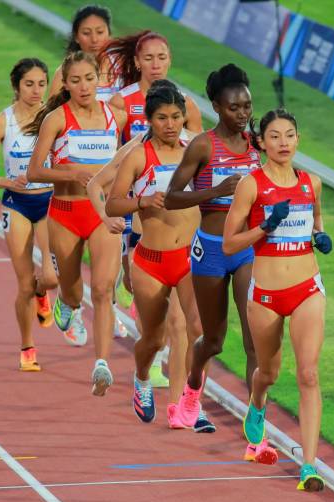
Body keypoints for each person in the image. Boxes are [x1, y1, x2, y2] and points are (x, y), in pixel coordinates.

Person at [222, 108, 333, 491]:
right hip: (267, 294)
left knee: (309, 374)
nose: (283, 143)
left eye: (289, 135)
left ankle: (309, 466)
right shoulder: (251, 185)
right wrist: (265, 227)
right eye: (274, 136)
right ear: (261, 143)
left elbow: (316, 223)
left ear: (298, 139)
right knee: (268, 371)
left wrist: (321, 237)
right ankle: (257, 401)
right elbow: (229, 242)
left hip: (307, 289)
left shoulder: (311, 183)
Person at [102, 80, 211, 430]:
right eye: (162, 117)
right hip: (151, 260)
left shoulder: (195, 151)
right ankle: (142, 378)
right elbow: (113, 202)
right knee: (153, 338)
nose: (170, 124)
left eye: (176, 116)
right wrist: (142, 201)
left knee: (192, 328)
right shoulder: (138, 156)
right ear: (149, 119)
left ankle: (186, 404)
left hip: (189, 257)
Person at [165, 64, 262, 447]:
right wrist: (217, 189)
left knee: (255, 336)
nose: (243, 114)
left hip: (247, 250)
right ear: (217, 108)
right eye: (235, 107)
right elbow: (172, 197)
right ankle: (191, 390)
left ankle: (256, 416)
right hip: (210, 250)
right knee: (214, 341)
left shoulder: (258, 144)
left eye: (247, 106)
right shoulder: (204, 145)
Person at [26, 51, 127, 396]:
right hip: (66, 213)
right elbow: (34, 171)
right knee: (73, 290)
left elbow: (125, 165)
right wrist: (73, 172)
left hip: (103, 215)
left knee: (102, 289)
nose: (84, 86)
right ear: (65, 84)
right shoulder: (56, 118)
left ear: (98, 80)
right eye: (76, 80)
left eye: (89, 79)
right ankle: (66, 304)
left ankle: (101, 364)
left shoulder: (115, 117)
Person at [0, 57, 58, 372]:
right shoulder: (2, 122)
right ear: (16, 86)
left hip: (49, 201)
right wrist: (6, 181)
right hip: (17, 204)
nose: (37, 90)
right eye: (29, 84)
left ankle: (43, 291)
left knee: (50, 276)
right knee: (23, 284)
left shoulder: (54, 118)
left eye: (41, 83)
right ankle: (27, 346)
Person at [106, 31, 202, 144]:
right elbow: (111, 150)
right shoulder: (120, 102)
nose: (156, 65)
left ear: (169, 60)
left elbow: (199, 150)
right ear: (137, 61)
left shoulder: (187, 104)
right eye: (148, 58)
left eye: (162, 58)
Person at [48, 5, 120, 102]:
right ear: (76, 37)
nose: (94, 39)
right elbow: (51, 114)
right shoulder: (63, 73)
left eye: (100, 32)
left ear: (109, 34)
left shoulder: (124, 67)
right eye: (86, 33)